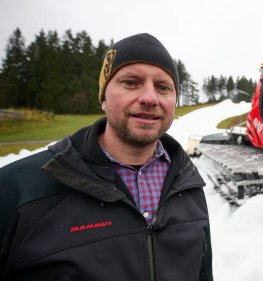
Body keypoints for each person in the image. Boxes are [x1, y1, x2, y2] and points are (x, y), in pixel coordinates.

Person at [0, 33, 213, 281]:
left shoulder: (189, 185)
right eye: (131, 82)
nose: (150, 98)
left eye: (163, 87)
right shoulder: (17, 190)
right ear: (103, 96)